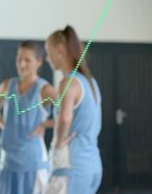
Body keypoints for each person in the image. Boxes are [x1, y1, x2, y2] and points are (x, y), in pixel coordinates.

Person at [0, 41, 56, 194]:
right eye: (19, 59)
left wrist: (44, 125)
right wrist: (6, 126)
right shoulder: (7, 85)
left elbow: (69, 114)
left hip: (32, 162)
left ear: (39, 61)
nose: (22, 64)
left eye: (27, 60)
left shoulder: (45, 89)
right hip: (8, 161)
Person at [44, 25, 102, 194]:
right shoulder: (90, 82)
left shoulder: (68, 83)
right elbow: (82, 119)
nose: (48, 58)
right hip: (92, 165)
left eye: (49, 52)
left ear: (60, 50)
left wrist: (59, 142)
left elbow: (65, 118)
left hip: (72, 166)